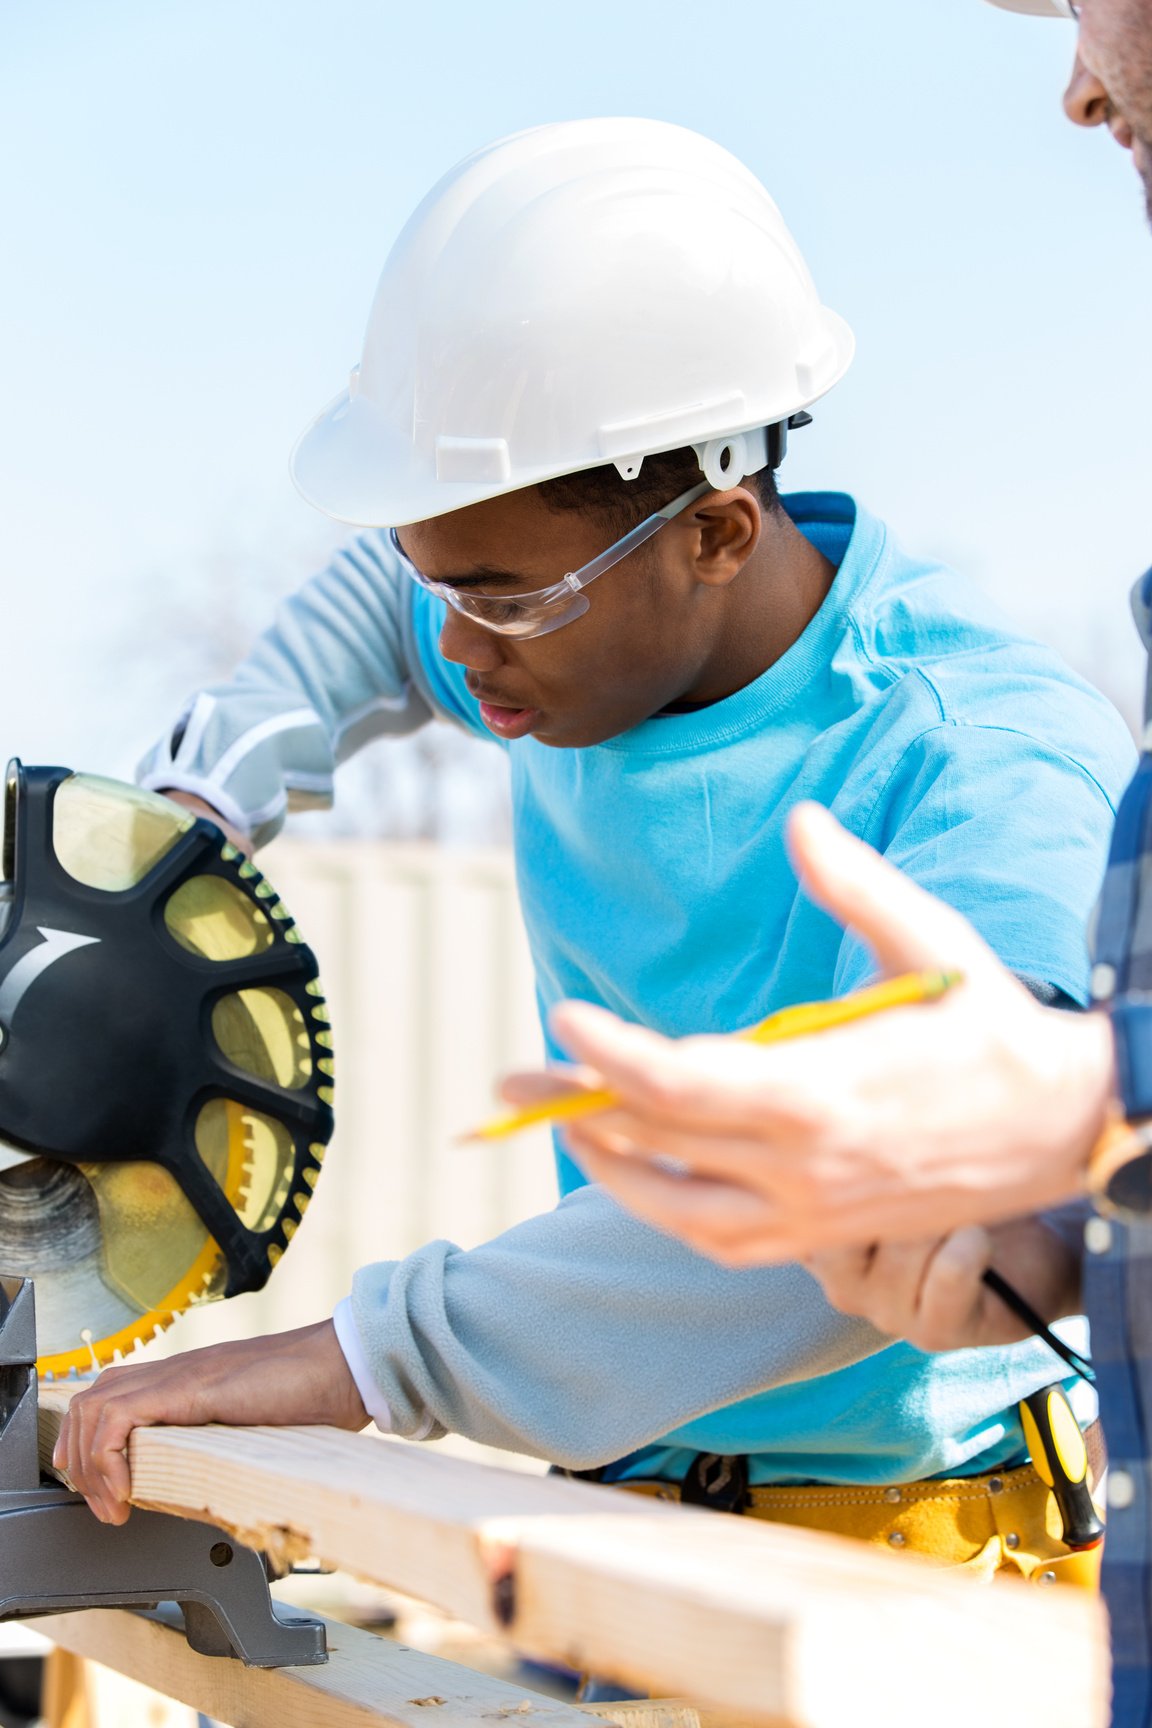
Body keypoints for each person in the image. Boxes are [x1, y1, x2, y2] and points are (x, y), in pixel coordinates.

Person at [54, 118, 1132, 1596]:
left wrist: (375, 1354)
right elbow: (398, 606)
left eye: (500, 601)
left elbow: (872, 1191)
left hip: (916, 1558)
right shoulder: (577, 636)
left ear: (719, 532)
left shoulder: (978, 757)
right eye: (448, 588)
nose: (461, 658)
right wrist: (193, 813)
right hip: (616, 1514)